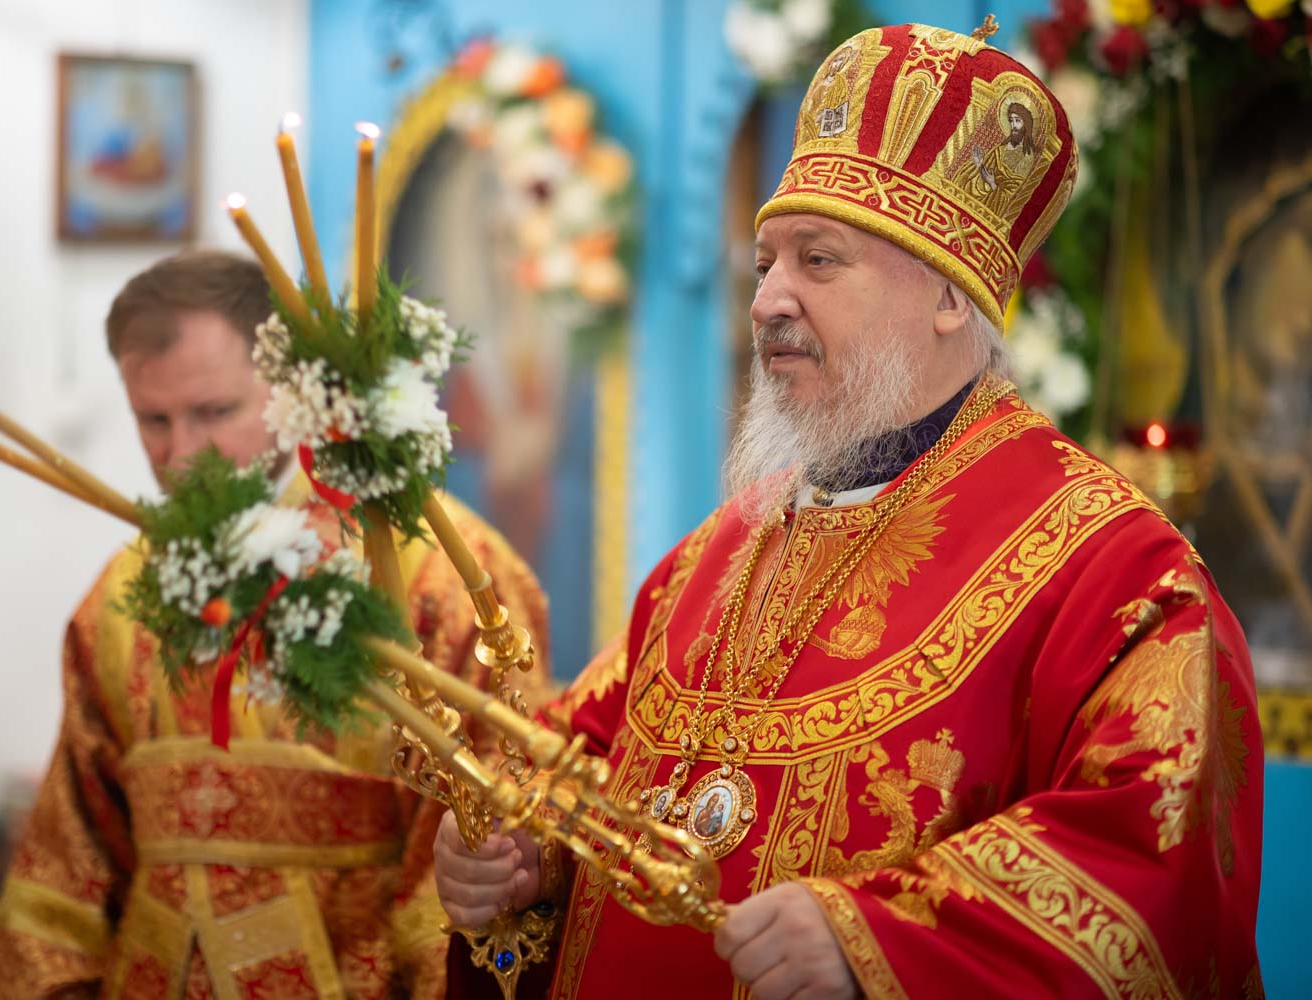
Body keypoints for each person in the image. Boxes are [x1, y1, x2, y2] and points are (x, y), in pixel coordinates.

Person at [433, 21, 1263, 1000]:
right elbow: (574, 763)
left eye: (818, 261)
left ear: (949, 297)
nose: (769, 301)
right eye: (764, 264)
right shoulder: (713, 556)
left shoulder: (1115, 575)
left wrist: (879, 942)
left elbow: (1153, 865)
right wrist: (519, 851)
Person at [0, 250, 551, 999]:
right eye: (153, 420)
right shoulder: (123, 598)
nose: (183, 456)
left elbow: (480, 854)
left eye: (214, 412)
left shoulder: (438, 573)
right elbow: (69, 869)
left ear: (289, 390)